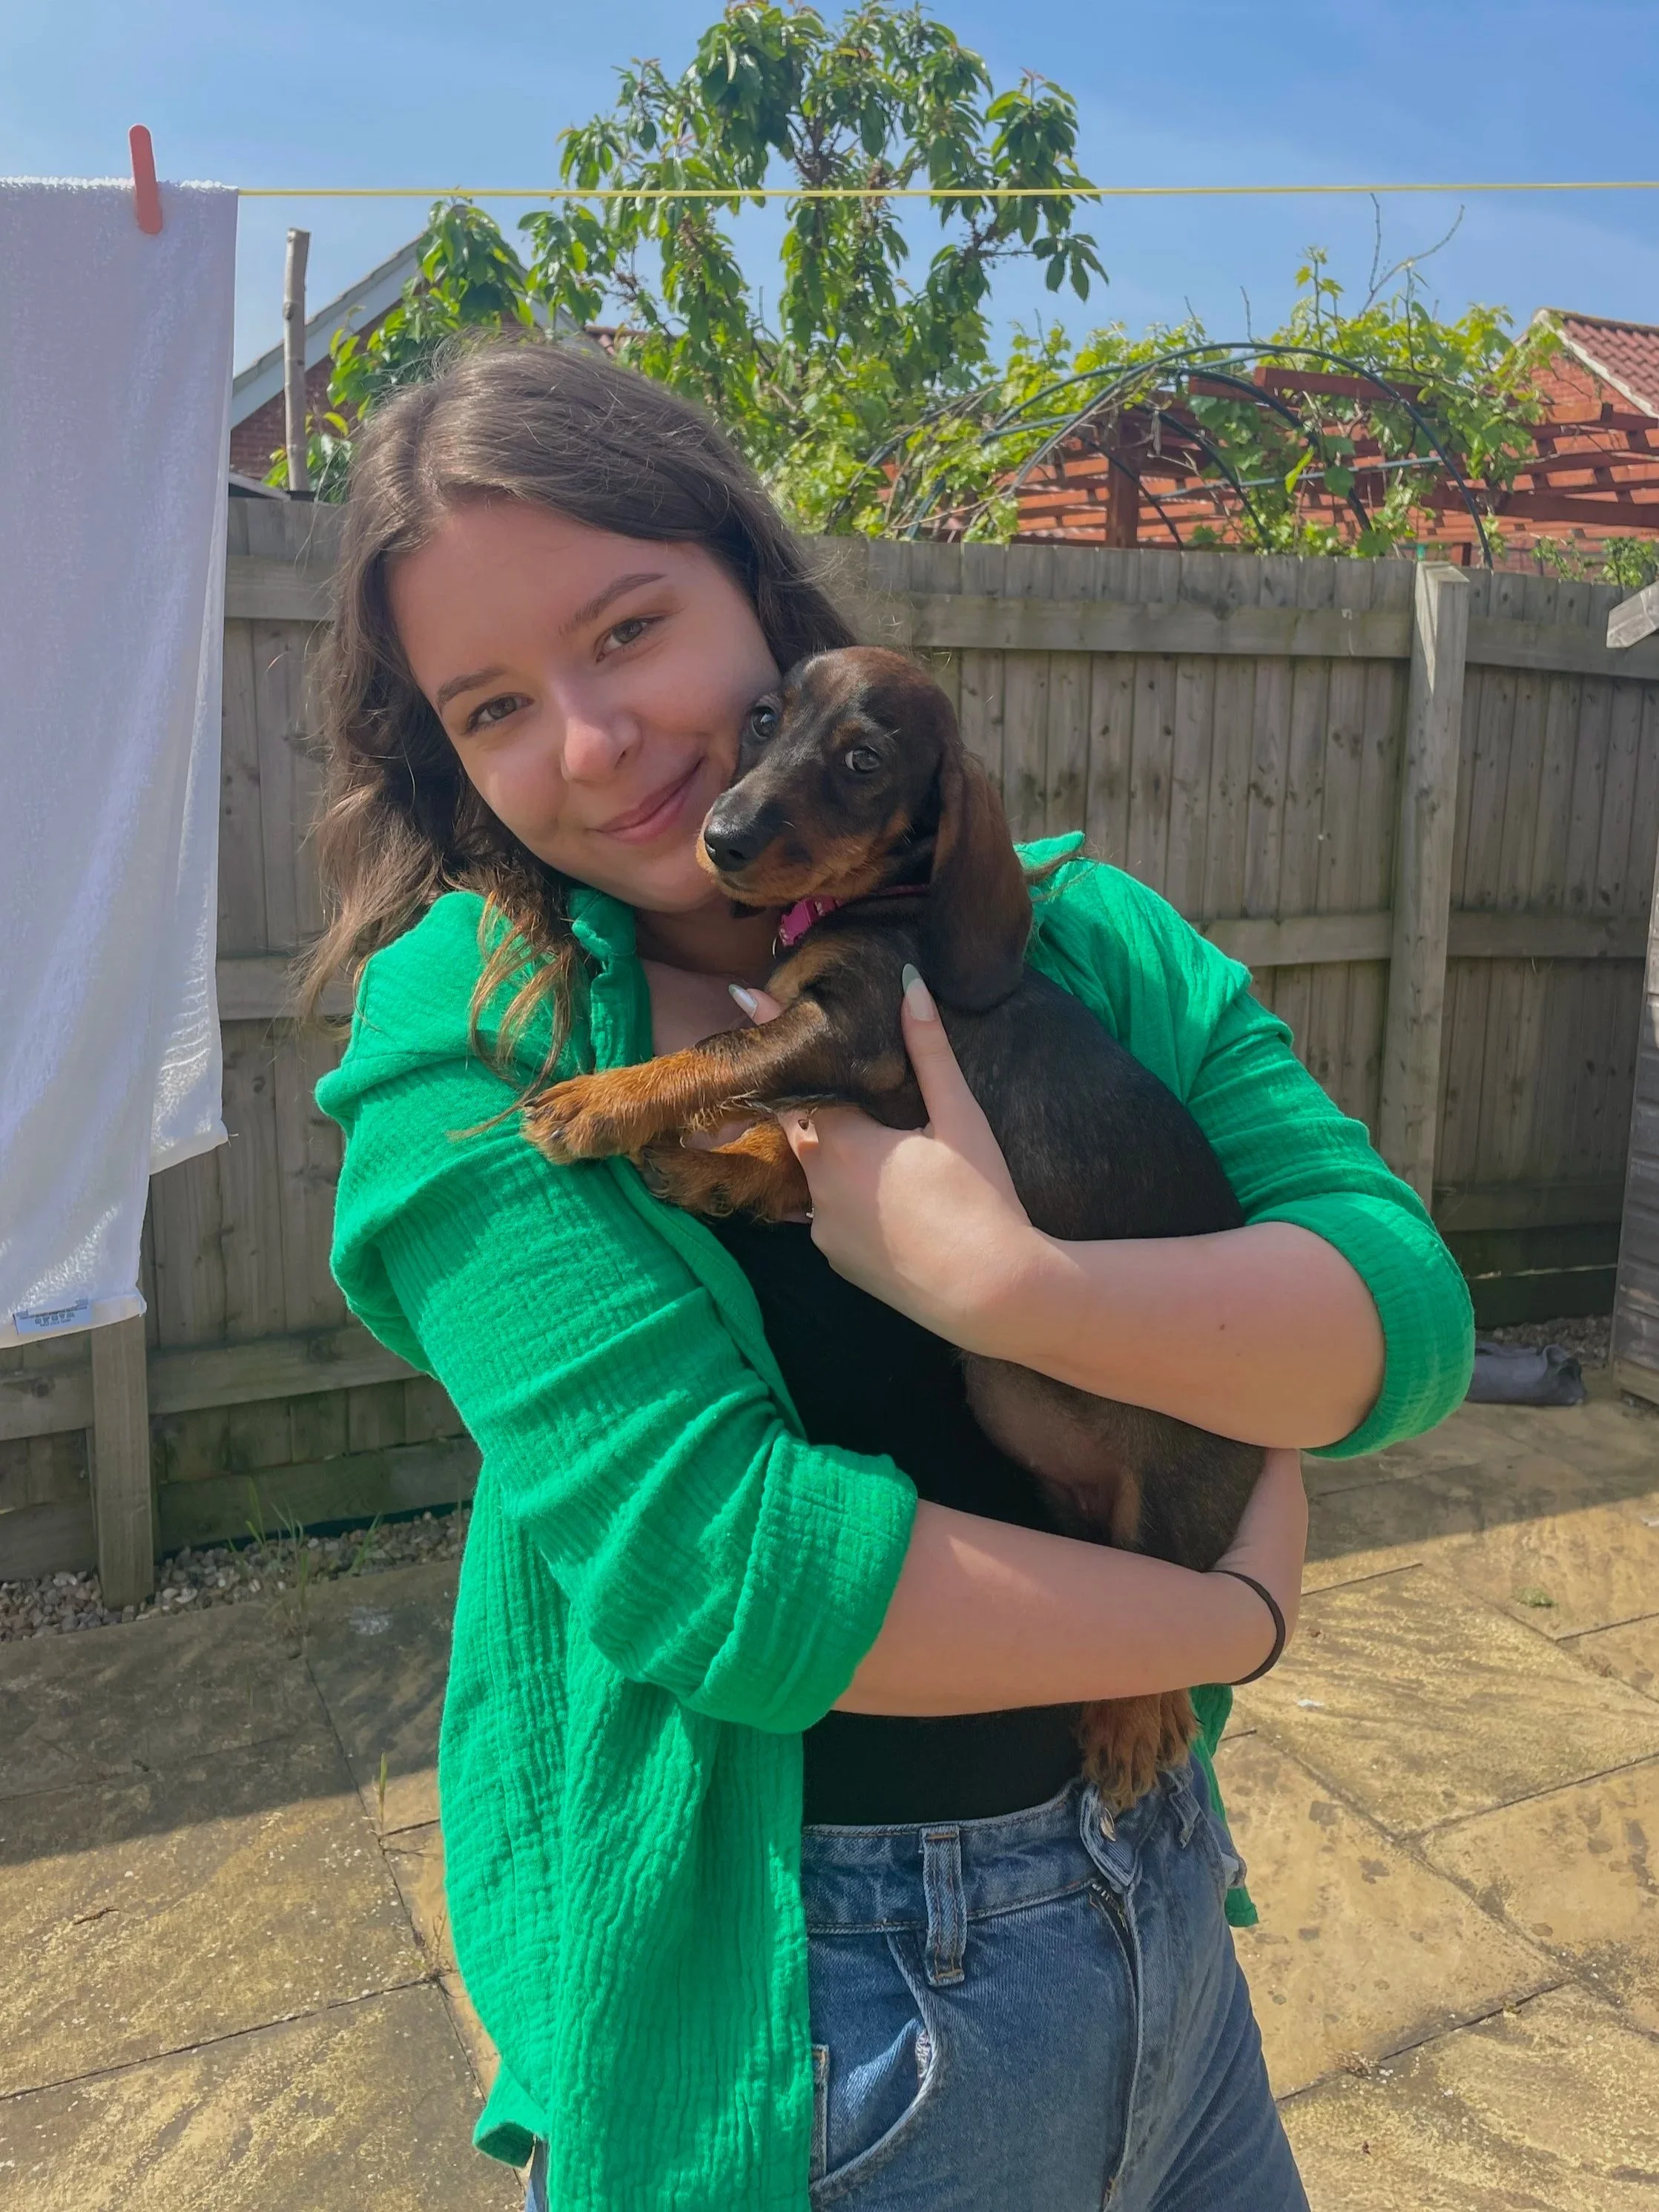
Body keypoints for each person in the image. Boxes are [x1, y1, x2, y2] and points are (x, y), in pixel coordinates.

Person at [307, 340, 1474, 2212]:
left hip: (1163, 1912)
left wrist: (1023, 1293)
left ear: (756, 594)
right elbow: (731, 1577)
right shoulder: (470, 1038)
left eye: (627, 630)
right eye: (494, 706)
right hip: (810, 2030)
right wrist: (1226, 1620)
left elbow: (1397, 1316)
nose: (592, 744)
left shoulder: (1075, 936)